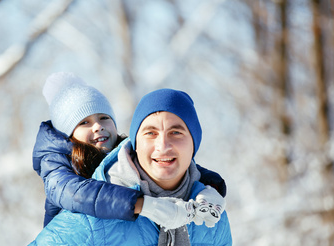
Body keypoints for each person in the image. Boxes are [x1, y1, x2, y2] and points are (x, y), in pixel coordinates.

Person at [0, 88, 232, 246]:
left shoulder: (210, 217)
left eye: (176, 132)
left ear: (194, 144)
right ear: (135, 143)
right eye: (150, 133)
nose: (163, 145)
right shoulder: (91, 218)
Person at [33, 72, 227, 229]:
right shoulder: (55, 161)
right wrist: (142, 204)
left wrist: (210, 186)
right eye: (84, 122)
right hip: (68, 244)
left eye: (104, 117)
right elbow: (72, 192)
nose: (98, 127)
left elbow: (165, 159)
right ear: (68, 132)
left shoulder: (122, 152)